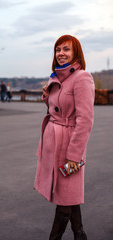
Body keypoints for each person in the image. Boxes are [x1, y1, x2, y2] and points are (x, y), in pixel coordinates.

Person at [34, 35, 95, 240]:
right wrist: (47, 96)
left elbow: (85, 120)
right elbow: (58, 109)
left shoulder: (82, 77)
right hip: (54, 145)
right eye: (58, 50)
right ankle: (80, 234)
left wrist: (74, 156)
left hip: (69, 146)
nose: (61, 53)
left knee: (65, 198)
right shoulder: (58, 77)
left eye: (66, 49)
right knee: (68, 195)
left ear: (75, 52)